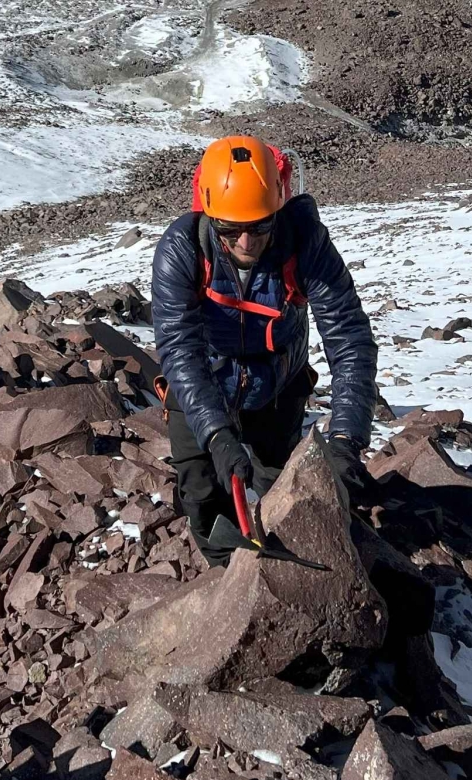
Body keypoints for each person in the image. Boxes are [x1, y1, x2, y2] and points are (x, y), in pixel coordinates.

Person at [151, 135, 379, 567]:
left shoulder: (304, 242)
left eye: (259, 226)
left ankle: (290, 563)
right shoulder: (181, 250)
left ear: (277, 210)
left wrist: (347, 441)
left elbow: (348, 338)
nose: (245, 241)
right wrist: (217, 435)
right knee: (201, 491)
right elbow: (180, 350)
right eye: (229, 229)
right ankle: (227, 577)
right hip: (203, 380)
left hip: (277, 384)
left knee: (281, 485)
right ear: (207, 213)